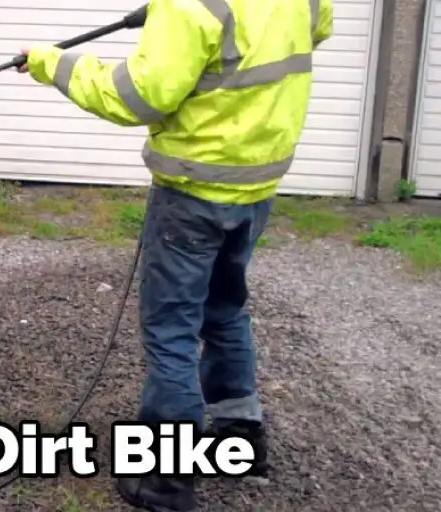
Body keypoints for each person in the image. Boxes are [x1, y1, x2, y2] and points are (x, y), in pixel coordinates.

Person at [18, 0, 333, 510]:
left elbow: (137, 97)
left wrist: (53, 63)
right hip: (255, 188)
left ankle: (165, 480)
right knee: (225, 310)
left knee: (172, 330)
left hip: (193, 195)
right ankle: (241, 441)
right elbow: (308, 31)